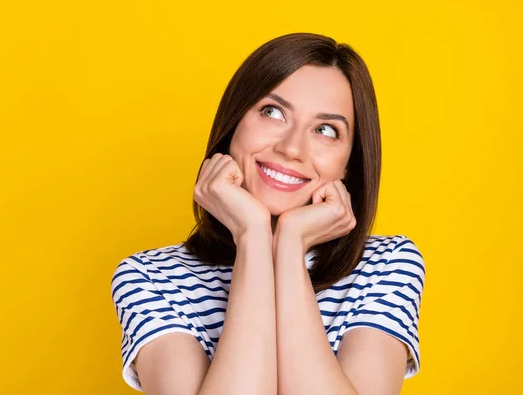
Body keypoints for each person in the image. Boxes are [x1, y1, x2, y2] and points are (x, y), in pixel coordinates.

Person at [111, 32, 425, 394]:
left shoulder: (386, 266)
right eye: (272, 112)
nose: (292, 148)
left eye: (325, 130)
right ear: (233, 125)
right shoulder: (150, 278)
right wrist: (253, 237)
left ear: (349, 166)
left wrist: (289, 245)